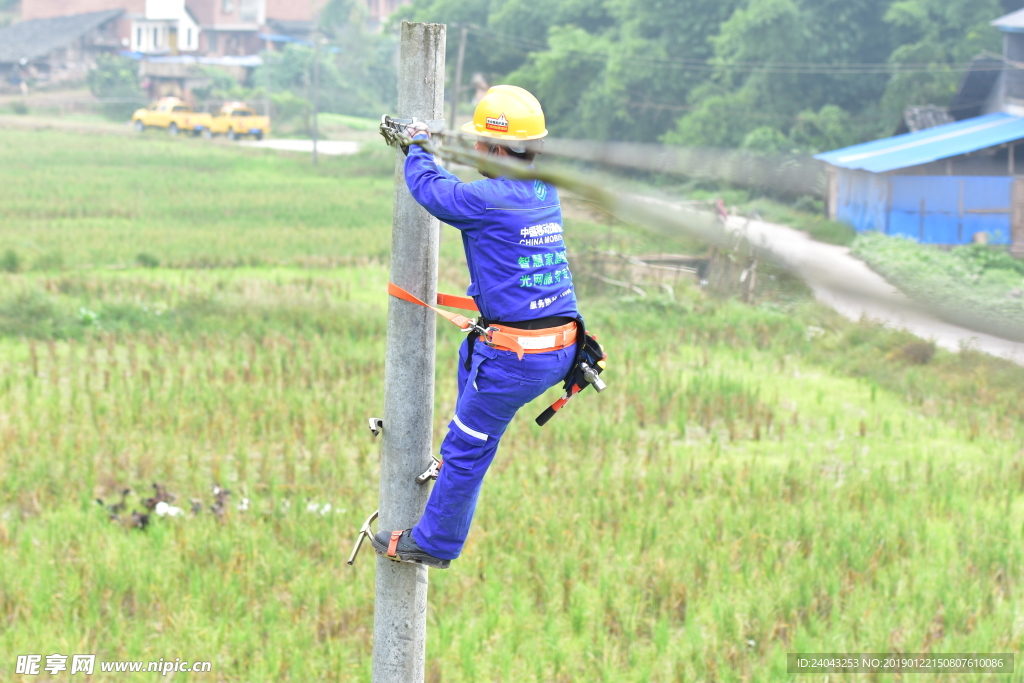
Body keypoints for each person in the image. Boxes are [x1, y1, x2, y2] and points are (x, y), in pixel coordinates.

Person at [373, 86, 580, 569]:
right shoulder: (541, 188)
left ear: (496, 148)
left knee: (469, 445)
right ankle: (454, 457)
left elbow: (434, 191)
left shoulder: (487, 199)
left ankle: (435, 543)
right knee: (471, 354)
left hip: (518, 358)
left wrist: (419, 147)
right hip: (557, 346)